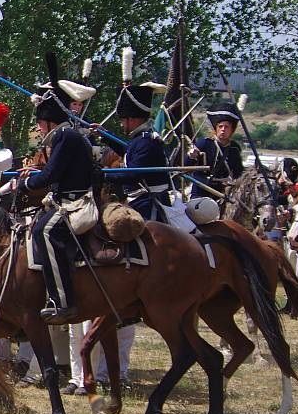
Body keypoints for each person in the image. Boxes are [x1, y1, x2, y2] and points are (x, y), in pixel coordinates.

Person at [19, 53, 97, 324]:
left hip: (75, 202)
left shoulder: (65, 136)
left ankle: (62, 301)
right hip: (66, 198)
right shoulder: (66, 135)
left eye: (40, 122)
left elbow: (52, 175)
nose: (38, 128)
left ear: (51, 119)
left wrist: (26, 183)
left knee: (45, 231)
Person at [98, 83, 169, 221]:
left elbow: (132, 174)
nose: (121, 124)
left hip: (148, 203)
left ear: (133, 119)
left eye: (123, 120)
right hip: (140, 200)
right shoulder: (141, 139)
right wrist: (105, 135)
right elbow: (128, 152)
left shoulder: (145, 141)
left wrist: (103, 175)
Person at [186, 102, 244, 201]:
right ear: (216, 128)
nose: (223, 130)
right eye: (220, 126)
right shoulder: (204, 143)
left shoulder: (234, 148)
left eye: (226, 127)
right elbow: (186, 166)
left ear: (232, 130)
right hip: (201, 189)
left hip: (222, 191)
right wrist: (191, 156)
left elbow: (238, 173)